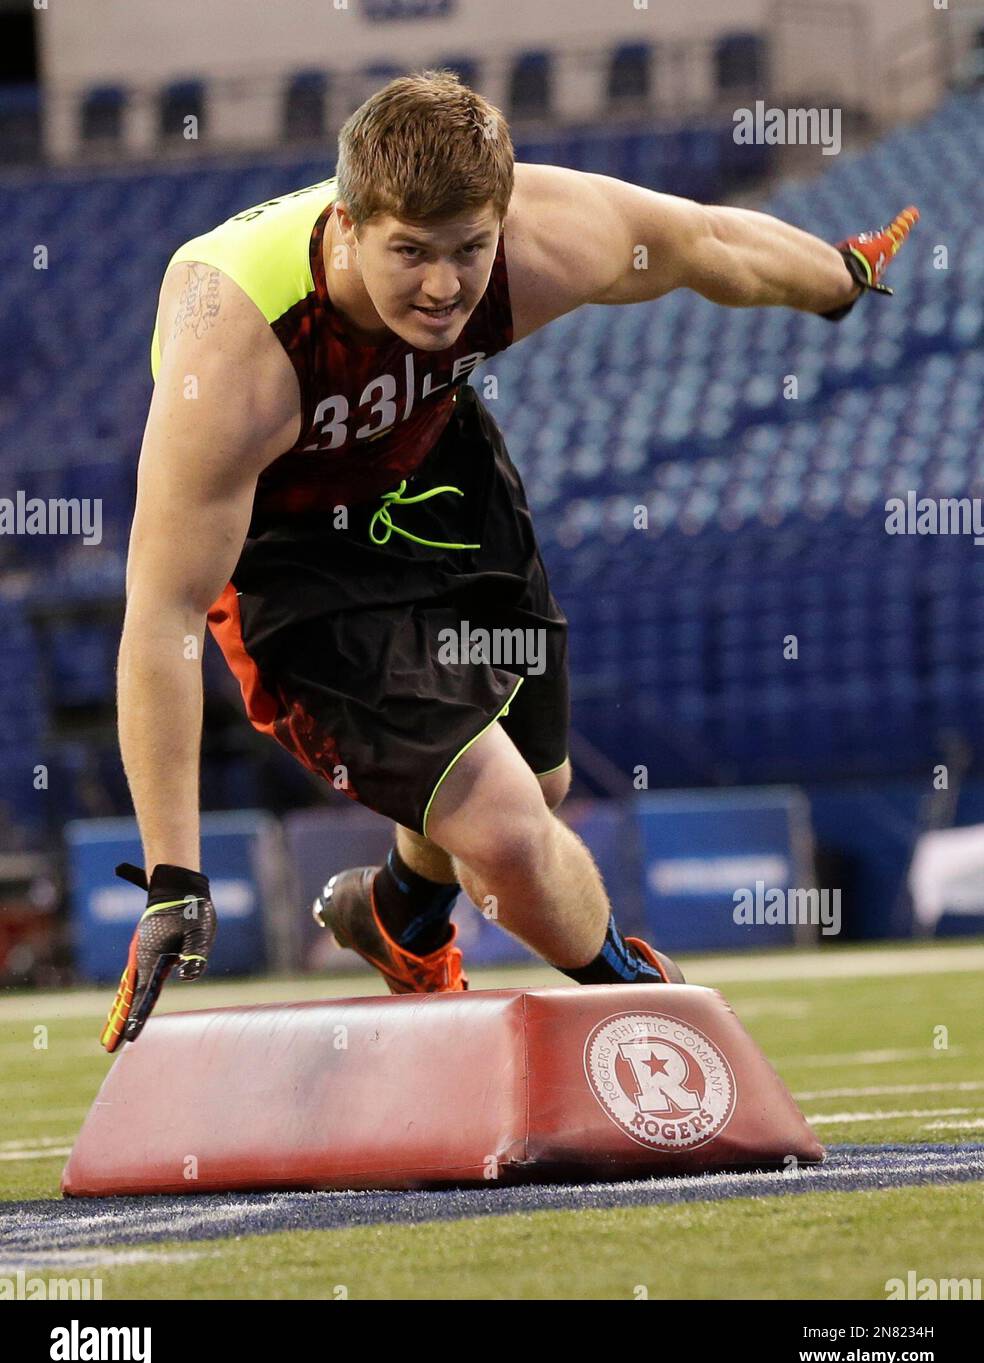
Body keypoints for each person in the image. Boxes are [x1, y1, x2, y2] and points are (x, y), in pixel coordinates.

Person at [101, 70, 918, 1049]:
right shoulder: (235, 348)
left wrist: (838, 277)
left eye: (468, 250)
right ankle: (658, 1018)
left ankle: (400, 913)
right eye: (410, 253)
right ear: (349, 223)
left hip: (433, 472)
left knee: (542, 785)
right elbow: (162, 614)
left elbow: (709, 243)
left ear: (501, 218)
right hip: (291, 555)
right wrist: (173, 877)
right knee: (501, 825)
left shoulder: (544, 237)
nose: (444, 287)